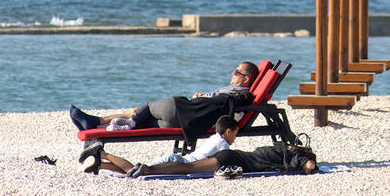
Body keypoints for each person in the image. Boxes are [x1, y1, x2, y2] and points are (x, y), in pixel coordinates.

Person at [69, 62, 259, 132]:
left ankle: (129, 121)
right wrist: (204, 97)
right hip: (187, 123)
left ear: (246, 79)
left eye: (237, 71)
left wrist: (202, 97)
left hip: (181, 110)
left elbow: (220, 102)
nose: (232, 73)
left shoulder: (237, 93)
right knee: (146, 121)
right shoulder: (237, 94)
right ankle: (97, 125)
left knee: (147, 107)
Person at [81, 115, 240, 174]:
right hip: (177, 163)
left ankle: (101, 165)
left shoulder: (214, 138)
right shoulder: (223, 144)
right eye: (235, 133)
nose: (234, 138)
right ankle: (102, 154)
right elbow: (224, 162)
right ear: (228, 131)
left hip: (177, 159)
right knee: (136, 171)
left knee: (135, 170)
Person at [126, 143, 318, 178]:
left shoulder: (280, 148)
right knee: (188, 167)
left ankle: (149, 169)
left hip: (233, 155)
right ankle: (148, 170)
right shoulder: (289, 154)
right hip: (232, 159)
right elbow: (308, 164)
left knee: (188, 166)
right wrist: (310, 166)